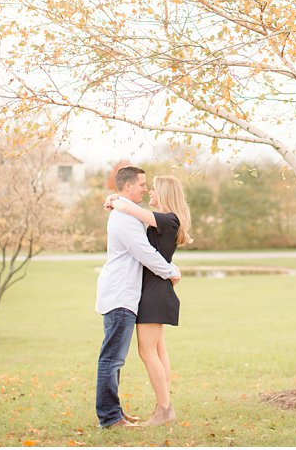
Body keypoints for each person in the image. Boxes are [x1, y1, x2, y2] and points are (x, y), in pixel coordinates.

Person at [94, 166, 180, 429]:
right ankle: (111, 417)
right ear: (128, 186)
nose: (146, 189)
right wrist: (171, 271)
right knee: (114, 358)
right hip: (122, 295)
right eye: (142, 184)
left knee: (126, 356)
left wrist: (115, 199)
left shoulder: (140, 215)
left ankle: (123, 412)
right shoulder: (125, 217)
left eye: (149, 185)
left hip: (133, 294)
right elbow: (143, 251)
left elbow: (146, 236)